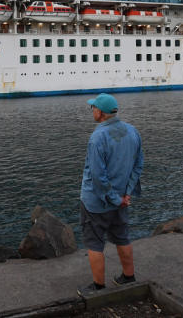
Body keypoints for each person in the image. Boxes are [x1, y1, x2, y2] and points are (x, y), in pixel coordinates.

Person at [77, 93, 144, 296]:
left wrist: (114, 198)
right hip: (121, 201)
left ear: (101, 112)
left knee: (94, 243)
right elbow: (138, 165)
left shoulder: (98, 137)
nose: (92, 111)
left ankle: (98, 287)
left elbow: (98, 176)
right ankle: (128, 277)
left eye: (93, 108)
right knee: (122, 238)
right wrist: (126, 194)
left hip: (96, 203)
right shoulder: (132, 131)